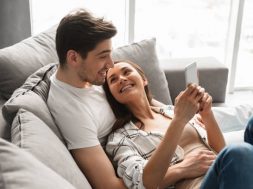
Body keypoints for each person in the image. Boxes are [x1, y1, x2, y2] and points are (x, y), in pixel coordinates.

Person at [103, 60, 253, 189]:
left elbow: (220, 152)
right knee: (238, 152)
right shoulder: (120, 138)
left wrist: (207, 114)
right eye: (113, 80)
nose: (122, 79)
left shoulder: (172, 110)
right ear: (112, 94)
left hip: (226, 175)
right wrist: (182, 168)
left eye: (126, 72)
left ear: (144, 79)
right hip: (199, 185)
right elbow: (142, 182)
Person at [47, 9, 127, 188]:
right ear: (74, 58)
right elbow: (109, 186)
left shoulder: (92, 75)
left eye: (110, 54)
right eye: (103, 56)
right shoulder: (70, 110)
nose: (111, 64)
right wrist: (177, 171)